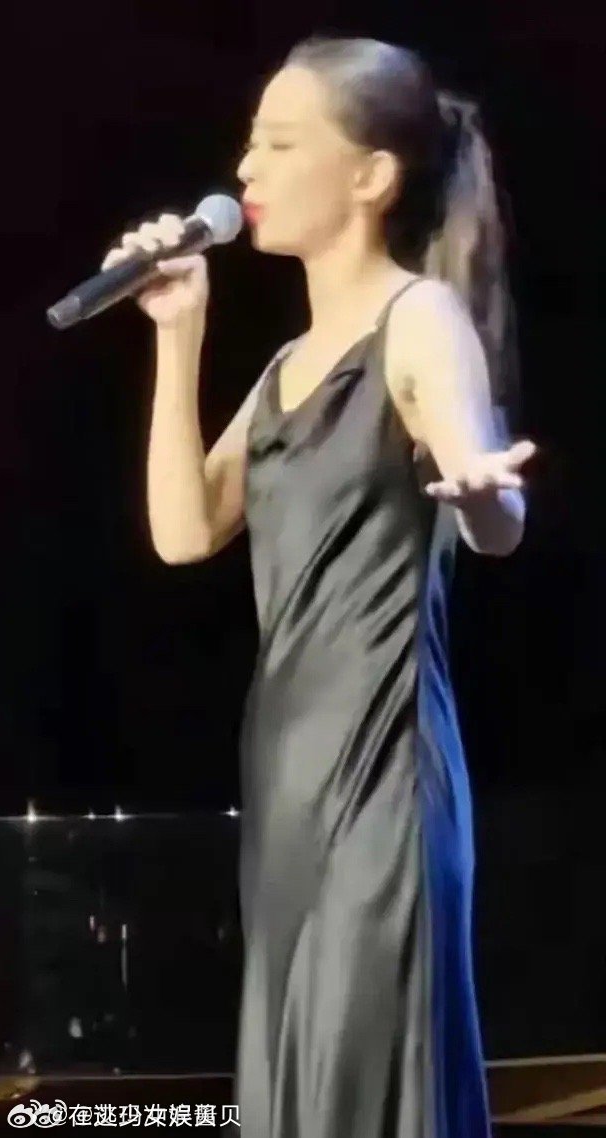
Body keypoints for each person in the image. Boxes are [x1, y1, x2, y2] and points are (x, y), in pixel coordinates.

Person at [102, 35, 537, 1138]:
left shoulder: (419, 318)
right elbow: (182, 533)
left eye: (282, 143)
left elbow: (494, 518)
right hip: (288, 777)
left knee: (365, 1071)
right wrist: (179, 334)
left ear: (370, 175)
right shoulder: (288, 365)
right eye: (252, 142)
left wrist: (482, 492)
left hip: (381, 770)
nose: (247, 167)